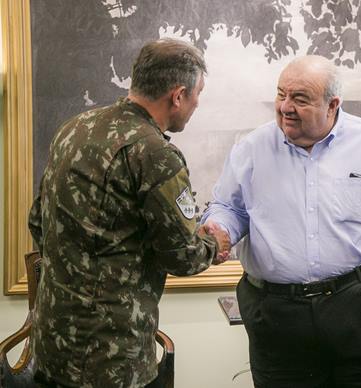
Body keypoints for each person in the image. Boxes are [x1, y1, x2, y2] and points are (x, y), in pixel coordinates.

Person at [201, 55, 361, 387]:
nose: (286, 107)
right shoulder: (252, 148)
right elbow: (230, 207)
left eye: (300, 99)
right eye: (281, 94)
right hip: (278, 314)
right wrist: (220, 228)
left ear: (333, 105)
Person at [28, 38, 230, 387]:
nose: (197, 103)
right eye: (198, 94)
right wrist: (214, 244)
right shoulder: (154, 153)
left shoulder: (75, 128)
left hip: (53, 344)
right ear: (178, 95)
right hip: (111, 359)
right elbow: (181, 256)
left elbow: (37, 220)